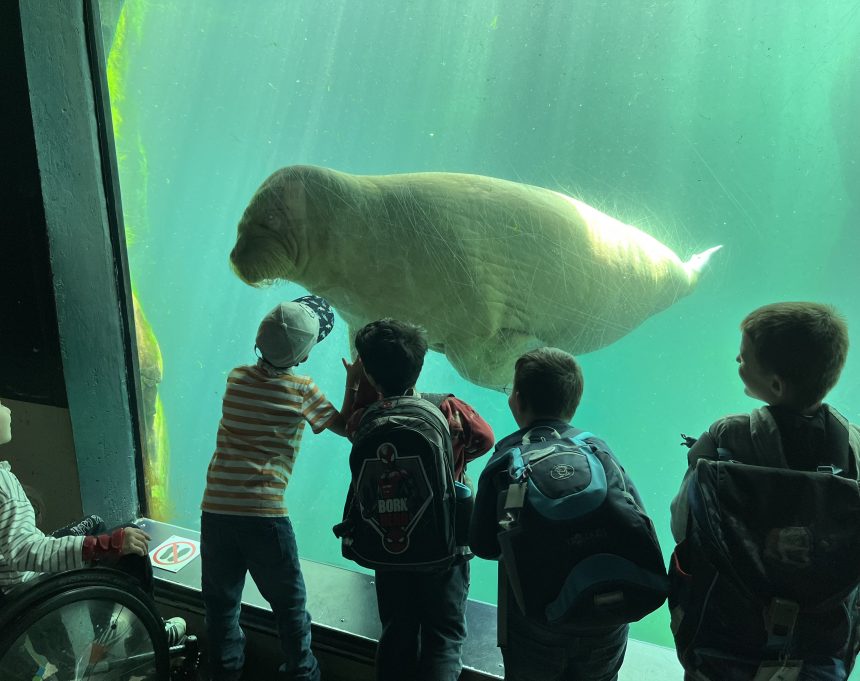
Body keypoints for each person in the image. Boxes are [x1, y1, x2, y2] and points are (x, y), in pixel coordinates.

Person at [669, 302, 860, 680]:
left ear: (775, 384)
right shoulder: (854, 446)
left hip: (726, 636)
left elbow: (682, 522)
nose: (737, 359)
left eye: (744, 358)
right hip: (818, 647)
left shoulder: (725, 435)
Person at [200, 295, 363, 681]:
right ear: (305, 358)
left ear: (259, 340)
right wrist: (353, 384)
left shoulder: (236, 378)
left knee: (220, 606)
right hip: (264, 515)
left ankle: (225, 672)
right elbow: (348, 429)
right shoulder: (302, 390)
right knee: (289, 607)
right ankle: (301, 673)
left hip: (217, 511)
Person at [471, 347, 635, 681]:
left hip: (536, 621)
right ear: (574, 402)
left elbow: (484, 546)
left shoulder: (507, 457)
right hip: (606, 616)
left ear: (516, 399)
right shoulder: (598, 449)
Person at [348, 318, 494, 681]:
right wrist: (453, 465)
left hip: (389, 545)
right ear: (421, 362)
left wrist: (355, 382)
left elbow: (348, 429)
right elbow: (486, 439)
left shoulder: (364, 419)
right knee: (443, 637)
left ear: (367, 370)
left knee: (396, 631)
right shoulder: (449, 409)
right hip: (443, 549)